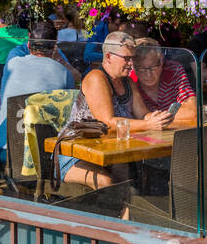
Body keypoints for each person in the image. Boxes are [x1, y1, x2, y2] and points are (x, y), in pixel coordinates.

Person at [62, 31, 173, 188]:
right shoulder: (96, 78)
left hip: (108, 151)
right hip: (76, 153)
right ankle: (117, 212)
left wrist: (156, 118)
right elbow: (107, 123)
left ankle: (126, 212)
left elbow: (143, 114)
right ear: (108, 57)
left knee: (130, 174)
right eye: (126, 58)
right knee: (107, 181)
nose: (131, 64)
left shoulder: (127, 81)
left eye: (132, 58)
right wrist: (149, 125)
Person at [0, 21, 77, 160]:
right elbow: (70, 114)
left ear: (28, 44)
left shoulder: (12, 63)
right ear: (54, 47)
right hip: (35, 153)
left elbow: (3, 100)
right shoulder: (63, 73)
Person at [133, 37, 196, 121]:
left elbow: (192, 110)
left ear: (162, 61)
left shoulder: (174, 70)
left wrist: (158, 119)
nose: (148, 74)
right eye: (141, 68)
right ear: (133, 66)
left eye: (153, 67)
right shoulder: (129, 80)